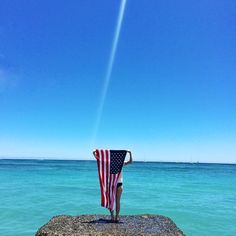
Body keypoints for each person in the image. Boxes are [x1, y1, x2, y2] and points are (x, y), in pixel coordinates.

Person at [93, 149, 133, 222]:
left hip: (113, 184)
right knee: (115, 201)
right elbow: (130, 162)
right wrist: (129, 153)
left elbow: (99, 160)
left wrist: (94, 153)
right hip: (117, 184)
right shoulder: (119, 163)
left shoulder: (108, 163)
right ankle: (116, 217)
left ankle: (114, 217)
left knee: (112, 201)